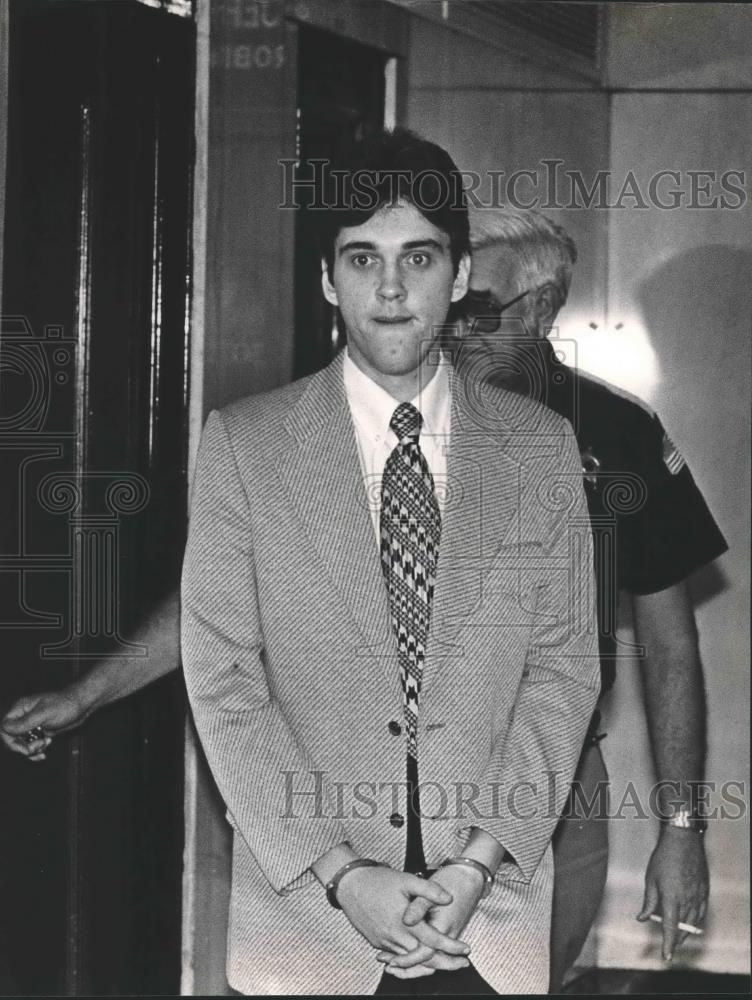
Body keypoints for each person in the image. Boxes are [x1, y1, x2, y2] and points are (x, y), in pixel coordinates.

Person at [181, 128, 599, 996]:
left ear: (459, 275)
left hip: (486, 921)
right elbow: (223, 681)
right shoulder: (245, 446)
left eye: (419, 257)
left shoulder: (541, 449)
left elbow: (563, 671)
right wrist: (342, 872)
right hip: (311, 924)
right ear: (328, 281)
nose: (393, 288)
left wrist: (478, 864)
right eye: (362, 259)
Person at [459, 207, 728, 991]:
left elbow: (671, 645)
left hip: (559, 782)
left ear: (540, 309)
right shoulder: (383, 419)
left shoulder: (617, 433)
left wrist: (680, 829)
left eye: (477, 311)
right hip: (402, 772)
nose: (453, 333)